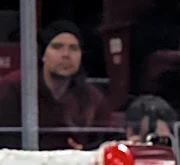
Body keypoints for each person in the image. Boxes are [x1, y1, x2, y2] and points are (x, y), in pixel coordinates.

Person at [0, 20, 110, 151]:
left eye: (73, 48)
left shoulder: (92, 98)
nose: (66, 55)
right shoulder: (11, 88)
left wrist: (85, 152)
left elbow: (106, 143)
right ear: (43, 55)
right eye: (57, 47)